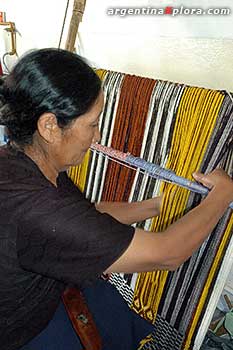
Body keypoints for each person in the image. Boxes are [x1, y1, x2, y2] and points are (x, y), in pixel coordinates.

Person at [0, 48, 232, 350]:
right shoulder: (37, 207)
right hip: (18, 331)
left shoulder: (20, 159)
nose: (97, 138)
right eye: (93, 124)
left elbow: (85, 214)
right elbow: (167, 254)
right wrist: (224, 193)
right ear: (49, 126)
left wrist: (157, 206)